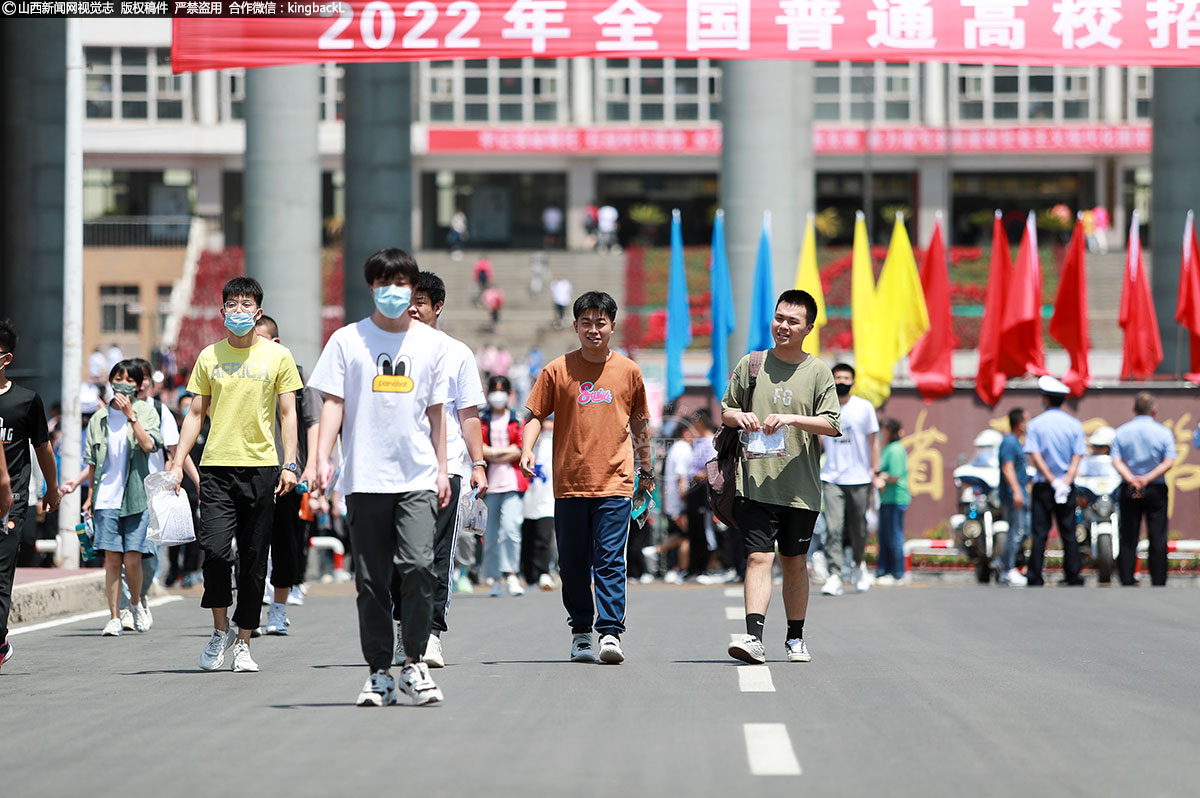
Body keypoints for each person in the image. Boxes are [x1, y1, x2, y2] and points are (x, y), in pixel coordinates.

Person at [309, 248, 451, 707]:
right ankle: (378, 673)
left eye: (401, 284)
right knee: (370, 582)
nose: (392, 292)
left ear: (413, 290)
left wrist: (444, 469)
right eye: (383, 283)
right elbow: (333, 403)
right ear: (371, 287)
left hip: (416, 476)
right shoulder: (348, 340)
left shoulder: (430, 344)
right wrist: (320, 458)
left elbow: (436, 414)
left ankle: (412, 665)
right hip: (366, 477)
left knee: (417, 568)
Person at [171, 276, 303, 673]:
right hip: (215, 469)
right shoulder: (210, 356)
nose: (240, 311)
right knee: (213, 551)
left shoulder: (277, 357)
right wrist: (178, 461)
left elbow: (288, 413)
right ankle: (218, 632)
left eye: (248, 305)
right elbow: (195, 413)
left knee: (252, 559)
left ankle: (244, 641)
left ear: (258, 311)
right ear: (222, 311)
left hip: (262, 468)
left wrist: (290, 462)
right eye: (234, 304)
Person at [520, 290, 652, 664]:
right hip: (569, 484)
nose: (594, 329)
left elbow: (641, 422)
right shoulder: (557, 370)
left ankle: (610, 633)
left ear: (612, 325)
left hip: (616, 482)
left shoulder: (628, 371)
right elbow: (532, 415)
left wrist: (647, 468)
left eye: (601, 322)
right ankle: (581, 631)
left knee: (610, 560)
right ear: (575, 326)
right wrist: (527, 449)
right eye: (586, 323)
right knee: (573, 564)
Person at [722, 290, 841, 665]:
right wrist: (738, 417)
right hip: (754, 481)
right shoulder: (752, 364)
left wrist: (790, 419)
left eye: (792, 321)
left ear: (808, 327)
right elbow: (726, 409)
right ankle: (753, 638)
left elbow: (832, 423)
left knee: (794, 560)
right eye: (779, 318)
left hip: (801, 489)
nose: (783, 326)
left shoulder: (818, 371)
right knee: (759, 558)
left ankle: (795, 637)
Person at [392, 270, 488, 668]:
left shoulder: (458, 353)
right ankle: (403, 630)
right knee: (399, 557)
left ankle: (430, 635)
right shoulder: (386, 349)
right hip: (395, 469)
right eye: (407, 300)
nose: (412, 307)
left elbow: (467, 415)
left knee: (435, 556)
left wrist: (478, 464)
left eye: (420, 301)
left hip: (444, 469)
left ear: (437, 307)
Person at [61, 360, 162, 636]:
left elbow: (149, 445)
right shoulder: (99, 418)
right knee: (112, 561)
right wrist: (90, 495)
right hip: (106, 498)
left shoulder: (146, 412)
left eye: (130, 380)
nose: (123, 383)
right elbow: (93, 461)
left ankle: (136, 602)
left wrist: (131, 415)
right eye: (119, 377)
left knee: (133, 559)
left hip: (136, 497)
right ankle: (115, 617)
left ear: (138, 384)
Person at [116, 357, 200, 632]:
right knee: (126, 552)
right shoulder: (113, 411)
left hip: (152, 492)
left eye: (138, 382)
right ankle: (129, 606)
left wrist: (194, 480)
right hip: (120, 492)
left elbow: (177, 449)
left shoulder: (159, 410)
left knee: (148, 554)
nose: (135, 388)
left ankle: (140, 597)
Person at [254, 316, 322, 635]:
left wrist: (308, 466)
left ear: (276, 343)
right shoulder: (241, 370)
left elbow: (313, 421)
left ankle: (279, 608)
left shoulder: (296, 374)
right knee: (249, 545)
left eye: (260, 338)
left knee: (285, 543)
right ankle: (249, 609)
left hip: (286, 474)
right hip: (249, 470)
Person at [0, 320, 61, 665]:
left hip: (11, 502)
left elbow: (43, 449)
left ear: (6, 358)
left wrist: (51, 490)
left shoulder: (26, 401)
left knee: (1, 571)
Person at [818, 362, 880, 596]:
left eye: (846, 378)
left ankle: (859, 566)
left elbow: (874, 441)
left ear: (853, 382)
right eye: (838, 378)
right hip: (832, 476)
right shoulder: (825, 407)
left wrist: (875, 470)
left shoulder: (864, 407)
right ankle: (835, 574)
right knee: (833, 528)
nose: (841, 382)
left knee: (859, 528)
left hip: (860, 477)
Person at [1023, 375, 1086, 587]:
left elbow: (1035, 454)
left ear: (1046, 400)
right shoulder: (1074, 424)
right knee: (1068, 531)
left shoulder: (1035, 425)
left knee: (1040, 532)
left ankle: (1035, 574)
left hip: (1044, 485)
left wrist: (1052, 480)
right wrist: (1066, 481)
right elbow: (1078, 455)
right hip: (1065, 485)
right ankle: (1073, 574)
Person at [1111, 392, 1177, 587]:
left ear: (1134, 409)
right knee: (1158, 534)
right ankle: (1158, 579)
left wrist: (1132, 478)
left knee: (1129, 535)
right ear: (1154, 410)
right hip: (1154, 487)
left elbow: (1116, 460)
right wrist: (1147, 478)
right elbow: (1169, 461)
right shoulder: (1163, 432)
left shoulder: (1122, 431)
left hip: (1129, 486)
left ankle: (1126, 577)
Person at [481, 375, 527, 597]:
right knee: (490, 535)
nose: (497, 395)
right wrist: (504, 452)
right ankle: (495, 577)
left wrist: (493, 453)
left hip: (511, 482)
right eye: (494, 390)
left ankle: (511, 574)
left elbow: (520, 449)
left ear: (509, 394)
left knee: (510, 529)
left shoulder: (516, 420)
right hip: (489, 484)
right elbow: (478, 447)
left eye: (502, 391)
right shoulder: (482, 420)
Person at [643, 421, 693, 579]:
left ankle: (670, 563)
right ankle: (676, 567)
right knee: (685, 536)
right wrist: (684, 498)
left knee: (679, 534)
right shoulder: (683, 448)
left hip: (671, 501)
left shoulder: (673, 449)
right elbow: (681, 476)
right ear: (685, 432)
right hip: (679, 501)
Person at [997, 408, 1030, 587]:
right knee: (1016, 532)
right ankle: (1008, 569)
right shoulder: (1010, 442)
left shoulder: (1015, 442)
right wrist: (1017, 491)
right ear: (1020, 423)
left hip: (1018, 493)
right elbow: (1007, 468)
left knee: (1023, 530)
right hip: (1013, 495)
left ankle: (1003, 562)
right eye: (1026, 421)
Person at [521, 415, 555, 590]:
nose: (547, 433)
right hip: (528, 497)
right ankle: (529, 575)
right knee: (527, 537)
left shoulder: (554, 447)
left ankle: (543, 572)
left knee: (544, 536)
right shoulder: (530, 447)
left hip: (547, 499)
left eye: (551, 429)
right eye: (545, 429)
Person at [873, 418, 909, 586]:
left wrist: (881, 477)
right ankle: (884, 571)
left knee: (894, 536)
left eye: (884, 429)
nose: (881, 432)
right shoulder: (886, 449)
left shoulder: (895, 450)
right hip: (887, 499)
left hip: (896, 499)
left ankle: (897, 573)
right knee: (885, 536)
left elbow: (894, 475)